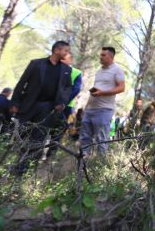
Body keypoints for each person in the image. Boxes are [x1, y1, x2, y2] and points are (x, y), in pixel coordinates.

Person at [11, 41, 73, 174]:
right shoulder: (36, 63)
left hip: (48, 108)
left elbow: (68, 88)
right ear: (57, 50)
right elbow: (21, 83)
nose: (68, 54)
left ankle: (26, 170)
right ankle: (14, 163)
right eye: (66, 51)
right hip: (29, 105)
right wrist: (15, 103)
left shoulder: (67, 70)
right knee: (22, 134)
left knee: (39, 138)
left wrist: (62, 103)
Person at [80, 46, 125, 157]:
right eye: (101, 55)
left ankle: (100, 166)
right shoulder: (99, 71)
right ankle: (83, 163)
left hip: (104, 110)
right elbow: (97, 87)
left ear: (111, 57)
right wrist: (86, 108)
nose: (100, 57)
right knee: (85, 138)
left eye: (103, 55)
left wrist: (102, 93)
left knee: (101, 139)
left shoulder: (117, 70)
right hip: (90, 109)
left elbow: (121, 88)